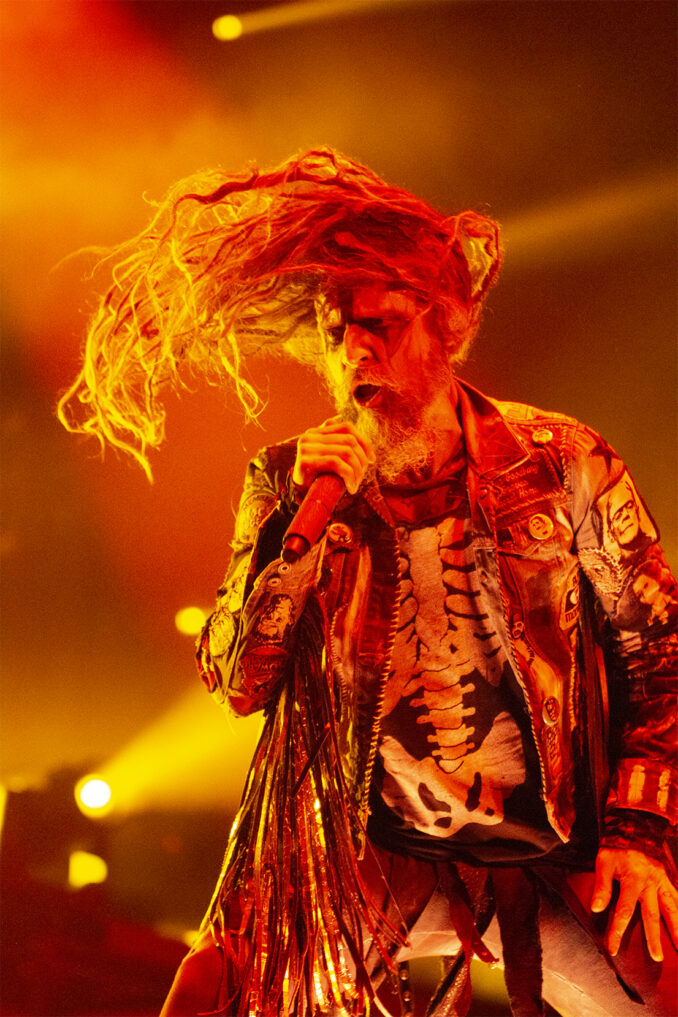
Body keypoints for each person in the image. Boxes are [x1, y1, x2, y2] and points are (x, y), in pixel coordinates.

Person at [58, 149, 677, 1017]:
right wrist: (293, 539)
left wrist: (642, 831)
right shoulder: (288, 481)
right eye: (340, 330)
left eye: (382, 325)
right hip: (358, 847)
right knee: (207, 993)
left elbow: (662, 654)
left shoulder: (563, 463)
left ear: (449, 329)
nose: (357, 350)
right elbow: (239, 683)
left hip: (544, 837)